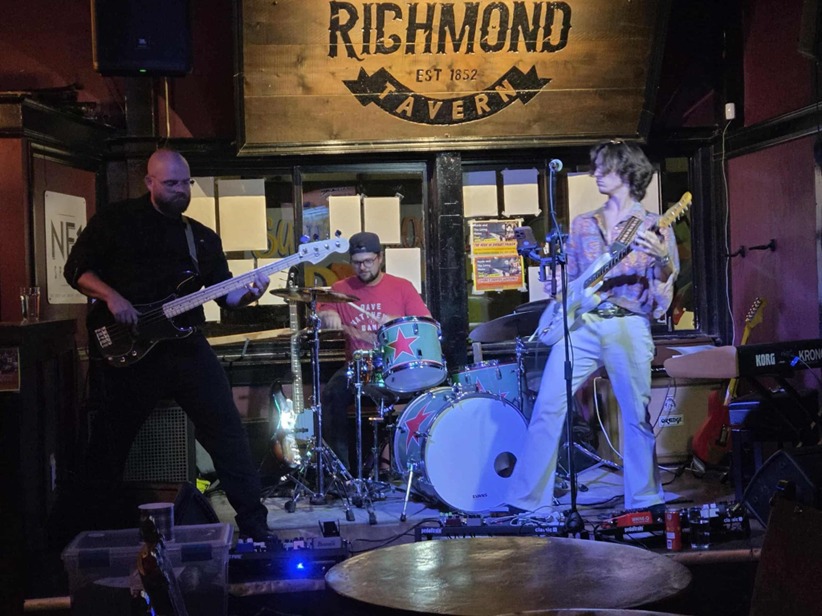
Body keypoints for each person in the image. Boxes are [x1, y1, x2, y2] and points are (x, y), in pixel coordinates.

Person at [56, 149, 272, 542]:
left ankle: (256, 527)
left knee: (227, 432)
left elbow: (225, 295)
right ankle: (84, 535)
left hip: (186, 347)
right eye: (171, 183)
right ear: (149, 182)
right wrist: (113, 298)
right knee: (109, 444)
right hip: (129, 349)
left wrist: (250, 293)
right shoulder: (117, 221)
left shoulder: (200, 237)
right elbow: (77, 271)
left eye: (186, 183)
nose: (180, 191)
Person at [507, 140, 679, 515]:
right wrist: (557, 292)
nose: (595, 173)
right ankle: (527, 500)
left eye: (604, 167)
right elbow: (569, 281)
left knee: (635, 416)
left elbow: (665, 280)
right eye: (595, 167)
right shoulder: (584, 223)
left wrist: (663, 257)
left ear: (627, 172)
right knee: (548, 407)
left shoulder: (652, 225)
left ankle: (645, 500)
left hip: (626, 322)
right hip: (582, 324)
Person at [317, 231, 431, 471]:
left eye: (368, 261)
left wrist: (397, 321)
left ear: (380, 258)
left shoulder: (401, 287)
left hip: (394, 363)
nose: (363, 267)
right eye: (357, 262)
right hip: (357, 366)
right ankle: (342, 474)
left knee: (425, 394)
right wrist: (328, 315)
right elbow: (322, 309)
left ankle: (414, 466)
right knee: (330, 396)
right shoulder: (340, 289)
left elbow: (425, 323)